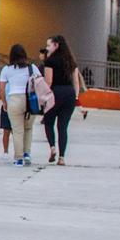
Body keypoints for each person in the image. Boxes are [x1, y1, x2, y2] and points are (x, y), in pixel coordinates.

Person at [41, 35, 81, 166]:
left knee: (48, 122)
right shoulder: (71, 61)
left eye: (49, 45)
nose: (47, 49)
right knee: (63, 127)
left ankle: (52, 147)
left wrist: (43, 96)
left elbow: (48, 81)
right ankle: (62, 157)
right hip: (69, 94)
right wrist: (75, 97)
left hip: (55, 93)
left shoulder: (50, 61)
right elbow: (76, 81)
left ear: (56, 45)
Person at [0, 44, 39, 166]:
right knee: (28, 128)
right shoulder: (32, 68)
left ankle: (19, 158)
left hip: (14, 99)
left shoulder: (6, 69)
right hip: (30, 100)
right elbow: (39, 82)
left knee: (17, 130)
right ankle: (27, 153)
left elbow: (2, 88)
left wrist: (4, 102)